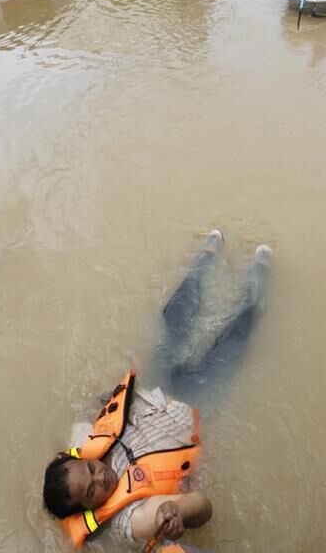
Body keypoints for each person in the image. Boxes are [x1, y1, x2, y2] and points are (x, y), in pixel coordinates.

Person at [43, 231, 272, 548]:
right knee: (233, 342)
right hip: (193, 406)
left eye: (93, 470)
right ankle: (259, 281)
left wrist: (108, 394)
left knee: (173, 318)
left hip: (157, 391)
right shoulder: (132, 521)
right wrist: (174, 508)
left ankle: (206, 258)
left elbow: (93, 417)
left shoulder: (82, 444)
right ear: (86, 510)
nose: (100, 478)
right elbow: (203, 507)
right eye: (91, 492)